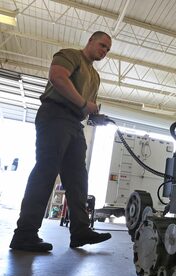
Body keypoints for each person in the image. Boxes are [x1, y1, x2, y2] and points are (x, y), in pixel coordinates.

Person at [10, 31, 113, 252]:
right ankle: (25, 233)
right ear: (90, 41)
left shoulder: (95, 77)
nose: (104, 51)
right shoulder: (70, 55)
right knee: (47, 170)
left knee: (78, 178)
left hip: (75, 124)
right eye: (102, 45)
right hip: (55, 114)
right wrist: (84, 103)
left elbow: (87, 106)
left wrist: (95, 116)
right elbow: (57, 77)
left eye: (107, 49)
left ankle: (80, 231)